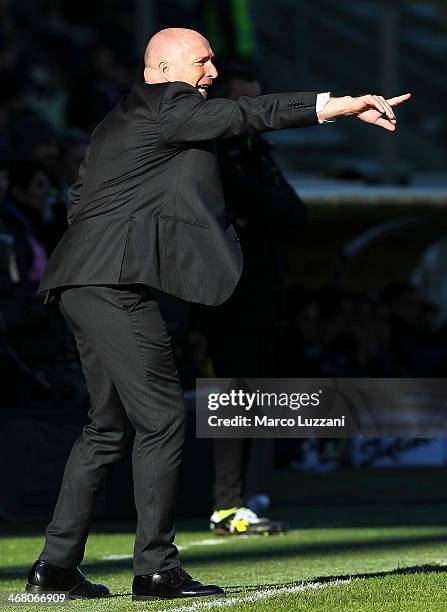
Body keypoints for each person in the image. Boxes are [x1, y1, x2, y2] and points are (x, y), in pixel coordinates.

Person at [25, 27, 411, 601]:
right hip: (112, 285)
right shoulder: (169, 106)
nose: (211, 72)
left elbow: (83, 200)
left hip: (81, 280)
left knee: (106, 429)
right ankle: (155, 568)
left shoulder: (118, 119)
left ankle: (55, 568)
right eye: (202, 61)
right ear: (162, 68)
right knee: (162, 420)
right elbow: (247, 115)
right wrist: (339, 105)